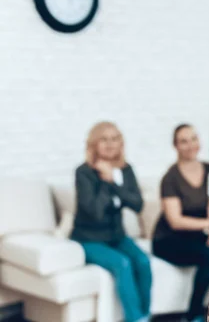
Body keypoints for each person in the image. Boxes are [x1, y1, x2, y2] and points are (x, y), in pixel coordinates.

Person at [71, 122, 151, 322]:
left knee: (143, 261)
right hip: (89, 239)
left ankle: (144, 316)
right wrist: (106, 181)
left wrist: (113, 181)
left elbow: (137, 205)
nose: (110, 143)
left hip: (117, 237)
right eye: (104, 139)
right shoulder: (84, 173)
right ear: (94, 144)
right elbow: (95, 213)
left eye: (115, 138)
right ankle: (135, 319)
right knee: (123, 264)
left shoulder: (126, 170)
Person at [152, 124, 209, 322]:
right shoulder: (170, 178)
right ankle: (194, 315)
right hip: (169, 240)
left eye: (193, 139)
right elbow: (175, 221)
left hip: (197, 236)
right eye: (184, 141)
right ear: (176, 146)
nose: (190, 145)